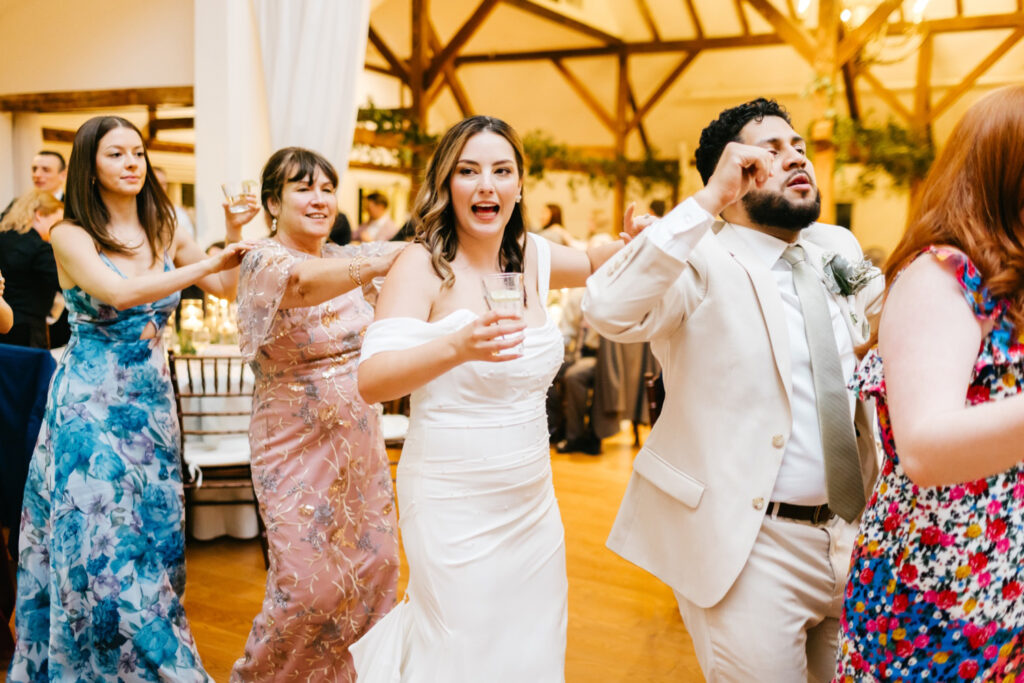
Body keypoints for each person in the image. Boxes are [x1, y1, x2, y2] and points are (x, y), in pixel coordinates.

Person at [583, 98, 884, 682]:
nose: (795, 158)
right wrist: (704, 204)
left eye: (797, 147)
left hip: (852, 534)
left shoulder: (837, 247)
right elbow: (606, 308)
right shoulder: (698, 258)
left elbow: (887, 322)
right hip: (749, 547)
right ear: (733, 175)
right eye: (769, 152)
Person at [351, 115, 641, 682]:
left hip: (531, 501)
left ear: (519, 185)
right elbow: (373, 380)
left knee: (529, 648)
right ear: (446, 184)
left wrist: (638, 240)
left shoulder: (531, 257)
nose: (487, 185)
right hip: (450, 498)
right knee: (460, 649)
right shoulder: (422, 264)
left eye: (501, 171)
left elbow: (593, 261)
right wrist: (456, 346)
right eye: (469, 171)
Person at [7, 115, 250, 682]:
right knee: (103, 547)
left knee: (152, 543)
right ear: (90, 165)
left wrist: (232, 237)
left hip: (151, 408)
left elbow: (225, 288)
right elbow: (116, 291)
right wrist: (204, 262)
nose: (132, 162)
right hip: (88, 406)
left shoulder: (164, 224)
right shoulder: (69, 234)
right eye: (116, 154)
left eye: (137, 152)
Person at [835, 86, 1024, 682]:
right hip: (944, 589)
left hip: (1005, 584)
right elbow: (923, 445)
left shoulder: (1011, 284)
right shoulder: (941, 275)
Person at [230, 147, 403, 682]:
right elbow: (303, 285)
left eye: (328, 188)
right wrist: (375, 260)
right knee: (305, 585)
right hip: (291, 442)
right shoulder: (260, 259)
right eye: (303, 187)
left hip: (357, 440)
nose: (319, 197)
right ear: (272, 203)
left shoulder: (346, 254)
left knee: (374, 570)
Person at [0, 190, 63, 347]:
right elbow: (64, 283)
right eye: (57, 222)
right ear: (40, 215)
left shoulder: (3, 237)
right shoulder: (39, 248)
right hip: (27, 331)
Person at [0, 150, 66, 222]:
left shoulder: (72, 207)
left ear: (63, 175)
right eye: (34, 169)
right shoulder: (17, 204)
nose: (37, 175)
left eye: (46, 170)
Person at [153, 166, 196, 240]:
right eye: (156, 183)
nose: (160, 187)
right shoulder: (135, 212)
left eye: (163, 184)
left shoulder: (178, 213)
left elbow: (188, 239)